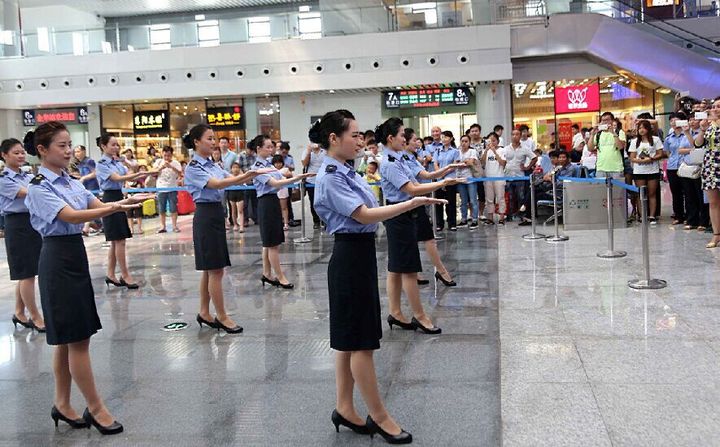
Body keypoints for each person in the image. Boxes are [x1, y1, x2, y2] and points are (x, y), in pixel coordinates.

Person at [312, 110, 444, 444]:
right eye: (354, 135)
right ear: (333, 139)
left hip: (358, 254)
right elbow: (365, 214)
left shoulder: (346, 170)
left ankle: (344, 407)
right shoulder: (330, 175)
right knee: (361, 345)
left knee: (348, 342)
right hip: (349, 257)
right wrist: (411, 201)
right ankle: (380, 416)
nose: (360, 140)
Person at [25, 121, 152, 435]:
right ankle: (96, 407)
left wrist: (119, 204)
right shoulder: (41, 185)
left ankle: (63, 404)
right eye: (62, 146)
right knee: (76, 339)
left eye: (70, 145)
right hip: (56, 257)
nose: (69, 151)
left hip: (74, 255)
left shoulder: (70, 180)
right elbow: (70, 216)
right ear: (42, 150)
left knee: (67, 341)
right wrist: (111, 210)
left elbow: (93, 204)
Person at [379, 117, 465, 336]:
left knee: (396, 268)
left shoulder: (398, 159)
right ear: (391, 138)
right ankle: (420, 316)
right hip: (399, 215)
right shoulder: (389, 162)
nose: (408, 139)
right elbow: (413, 189)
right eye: (402, 135)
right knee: (407, 269)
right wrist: (445, 182)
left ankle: (396, 312)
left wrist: (444, 177)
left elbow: (419, 181)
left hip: (404, 213)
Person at [182, 124, 267, 333]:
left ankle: (204, 311)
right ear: (196, 142)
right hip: (205, 215)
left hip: (215, 214)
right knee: (216, 270)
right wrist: (252, 173)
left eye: (214, 138)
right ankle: (222, 316)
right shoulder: (194, 167)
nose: (214, 142)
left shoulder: (212, 164)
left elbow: (229, 179)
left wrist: (252, 174)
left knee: (210, 270)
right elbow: (218, 185)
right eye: (209, 139)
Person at [403, 128, 463, 287]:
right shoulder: (401, 159)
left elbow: (428, 175)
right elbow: (420, 181)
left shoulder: (411, 158)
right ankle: (438, 271)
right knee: (421, 239)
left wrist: (448, 169)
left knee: (426, 238)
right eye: (414, 140)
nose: (418, 143)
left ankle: (433, 271)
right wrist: (443, 182)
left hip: (416, 201)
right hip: (409, 202)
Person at [253, 135, 314, 289]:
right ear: (258, 148)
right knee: (272, 243)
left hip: (272, 201)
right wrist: (298, 177)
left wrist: (291, 176)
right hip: (266, 203)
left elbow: (281, 177)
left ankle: (267, 273)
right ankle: (280, 277)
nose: (271, 149)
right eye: (267, 147)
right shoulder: (257, 167)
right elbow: (276, 182)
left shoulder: (269, 164)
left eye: (271, 147)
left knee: (268, 243)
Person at [1, 138, 45, 333]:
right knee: (27, 274)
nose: (21, 156)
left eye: (22, 152)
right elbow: (28, 193)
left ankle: (19, 312)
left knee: (28, 273)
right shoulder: (4, 179)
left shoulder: (26, 175)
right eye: (15, 153)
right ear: (4, 155)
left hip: (31, 223)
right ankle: (35, 316)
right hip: (17, 226)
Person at [96, 133, 151, 289]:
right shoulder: (102, 163)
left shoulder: (116, 161)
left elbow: (129, 172)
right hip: (110, 198)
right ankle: (125, 275)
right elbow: (117, 179)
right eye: (112, 144)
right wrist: (138, 174)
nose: (116, 147)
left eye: (117, 144)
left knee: (117, 240)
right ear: (103, 146)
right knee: (119, 240)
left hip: (119, 195)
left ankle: (111, 274)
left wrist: (129, 164)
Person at [689, 97, 720, 248]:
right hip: (710, 164)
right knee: (713, 202)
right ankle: (716, 235)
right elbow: (698, 143)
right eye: (714, 106)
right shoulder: (709, 125)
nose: (715, 109)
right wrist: (702, 129)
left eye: (718, 107)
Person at [627, 120, 664, 224]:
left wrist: (651, 159)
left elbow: (660, 154)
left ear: (648, 129)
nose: (641, 130)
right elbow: (632, 157)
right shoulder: (634, 141)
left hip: (653, 170)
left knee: (652, 193)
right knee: (640, 194)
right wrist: (640, 160)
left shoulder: (655, 140)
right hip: (639, 171)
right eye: (639, 128)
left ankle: (652, 215)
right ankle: (642, 215)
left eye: (643, 128)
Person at [502, 128, 537, 223]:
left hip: (520, 176)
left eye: (517, 134)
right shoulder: (505, 149)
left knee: (520, 197)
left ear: (520, 136)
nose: (515, 136)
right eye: (513, 134)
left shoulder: (525, 148)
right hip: (508, 176)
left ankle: (522, 215)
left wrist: (527, 167)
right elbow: (502, 161)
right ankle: (509, 215)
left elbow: (534, 157)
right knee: (509, 197)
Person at [665, 112, 690, 225]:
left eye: (676, 120)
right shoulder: (668, 138)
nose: (674, 122)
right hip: (672, 167)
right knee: (676, 193)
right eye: (671, 121)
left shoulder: (687, 135)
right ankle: (678, 215)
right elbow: (667, 152)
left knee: (688, 192)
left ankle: (689, 216)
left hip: (685, 166)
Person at [433, 130, 460, 231]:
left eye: (446, 137)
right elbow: (435, 164)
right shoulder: (438, 150)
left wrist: (443, 173)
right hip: (439, 180)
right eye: (442, 137)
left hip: (450, 179)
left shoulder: (455, 151)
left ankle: (452, 223)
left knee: (451, 202)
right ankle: (439, 224)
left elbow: (454, 165)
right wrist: (439, 174)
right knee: (438, 202)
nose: (443, 139)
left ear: (451, 138)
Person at [588, 111, 627, 178]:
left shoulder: (619, 132)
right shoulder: (598, 134)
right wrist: (592, 134)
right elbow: (590, 148)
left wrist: (613, 133)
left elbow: (620, 147)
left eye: (607, 120)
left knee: (617, 188)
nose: (605, 122)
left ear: (612, 121)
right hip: (600, 168)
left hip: (616, 168)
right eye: (603, 120)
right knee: (601, 188)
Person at [153, 146, 183, 233]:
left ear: (172, 155)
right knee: (161, 208)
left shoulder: (176, 163)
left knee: (173, 208)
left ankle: (174, 226)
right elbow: (153, 173)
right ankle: (163, 226)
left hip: (172, 188)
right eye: (165, 155)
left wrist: (171, 167)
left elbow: (180, 173)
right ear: (162, 154)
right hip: (161, 188)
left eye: (169, 155)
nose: (167, 157)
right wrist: (161, 167)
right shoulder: (158, 162)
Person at [481, 132, 508, 225]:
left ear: (497, 141)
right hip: (488, 178)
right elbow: (482, 162)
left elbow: (502, 163)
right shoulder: (486, 150)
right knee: (489, 199)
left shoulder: (502, 150)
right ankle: (490, 218)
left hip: (499, 177)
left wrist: (494, 152)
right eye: (490, 141)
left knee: (500, 198)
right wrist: (486, 151)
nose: (492, 142)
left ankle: (501, 217)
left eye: (494, 140)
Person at [456, 134, 480, 228]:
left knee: (473, 200)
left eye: (466, 141)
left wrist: (463, 162)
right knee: (463, 201)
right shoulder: (457, 152)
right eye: (462, 141)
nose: (464, 143)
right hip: (460, 179)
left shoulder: (472, 151)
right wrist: (464, 162)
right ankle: (464, 219)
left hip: (471, 178)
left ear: (469, 142)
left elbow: (471, 162)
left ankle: (474, 219)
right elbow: (455, 163)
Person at [302, 142, 327, 229]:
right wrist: (309, 151)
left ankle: (325, 220)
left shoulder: (325, 151)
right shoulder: (307, 151)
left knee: (324, 201)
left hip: (324, 180)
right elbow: (304, 164)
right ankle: (316, 221)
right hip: (311, 181)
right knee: (313, 202)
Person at [279, 141, 299, 226]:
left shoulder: (289, 158)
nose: (285, 152)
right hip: (279, 182)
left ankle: (290, 218)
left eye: (286, 151)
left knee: (288, 201)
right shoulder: (277, 158)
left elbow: (292, 168)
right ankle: (281, 219)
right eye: (283, 150)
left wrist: (288, 167)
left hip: (288, 181)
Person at [238, 144, 258, 225]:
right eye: (250, 150)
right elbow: (239, 168)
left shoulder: (255, 156)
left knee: (255, 201)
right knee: (245, 202)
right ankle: (245, 220)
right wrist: (245, 178)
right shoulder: (241, 156)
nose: (251, 152)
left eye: (253, 151)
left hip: (254, 181)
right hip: (245, 181)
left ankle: (256, 218)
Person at [272, 154, 292, 231]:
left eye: (279, 162)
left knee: (284, 207)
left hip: (283, 190)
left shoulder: (285, 169)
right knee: (276, 208)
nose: (278, 164)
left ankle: (286, 223)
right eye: (276, 163)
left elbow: (290, 175)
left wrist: (280, 173)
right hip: (274, 190)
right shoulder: (271, 170)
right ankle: (278, 223)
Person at [126, 165, 148, 234]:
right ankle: (131, 229)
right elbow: (125, 192)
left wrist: (131, 188)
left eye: (132, 174)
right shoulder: (125, 182)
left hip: (137, 199)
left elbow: (139, 189)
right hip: (129, 199)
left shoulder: (138, 181)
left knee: (138, 214)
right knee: (129, 215)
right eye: (129, 174)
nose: (130, 175)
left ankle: (139, 228)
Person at [226, 162, 246, 232]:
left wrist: (242, 174)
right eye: (234, 167)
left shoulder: (241, 176)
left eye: (237, 167)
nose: (235, 169)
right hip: (231, 193)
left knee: (240, 210)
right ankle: (235, 224)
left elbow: (245, 181)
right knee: (233, 210)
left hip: (240, 193)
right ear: (231, 169)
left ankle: (241, 226)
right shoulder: (229, 176)